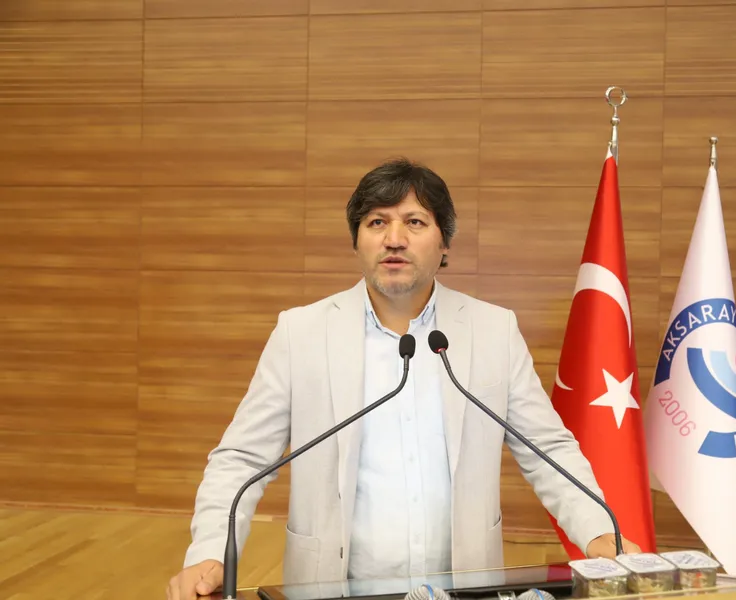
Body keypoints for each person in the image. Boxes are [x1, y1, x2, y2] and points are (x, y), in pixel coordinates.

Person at [167, 158, 641, 599]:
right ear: (357, 240)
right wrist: (209, 552)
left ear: (444, 241)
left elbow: (547, 449)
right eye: (377, 222)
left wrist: (598, 531)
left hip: (464, 585)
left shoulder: (493, 330)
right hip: (333, 586)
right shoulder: (302, 332)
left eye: (414, 222)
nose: (394, 239)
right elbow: (242, 458)